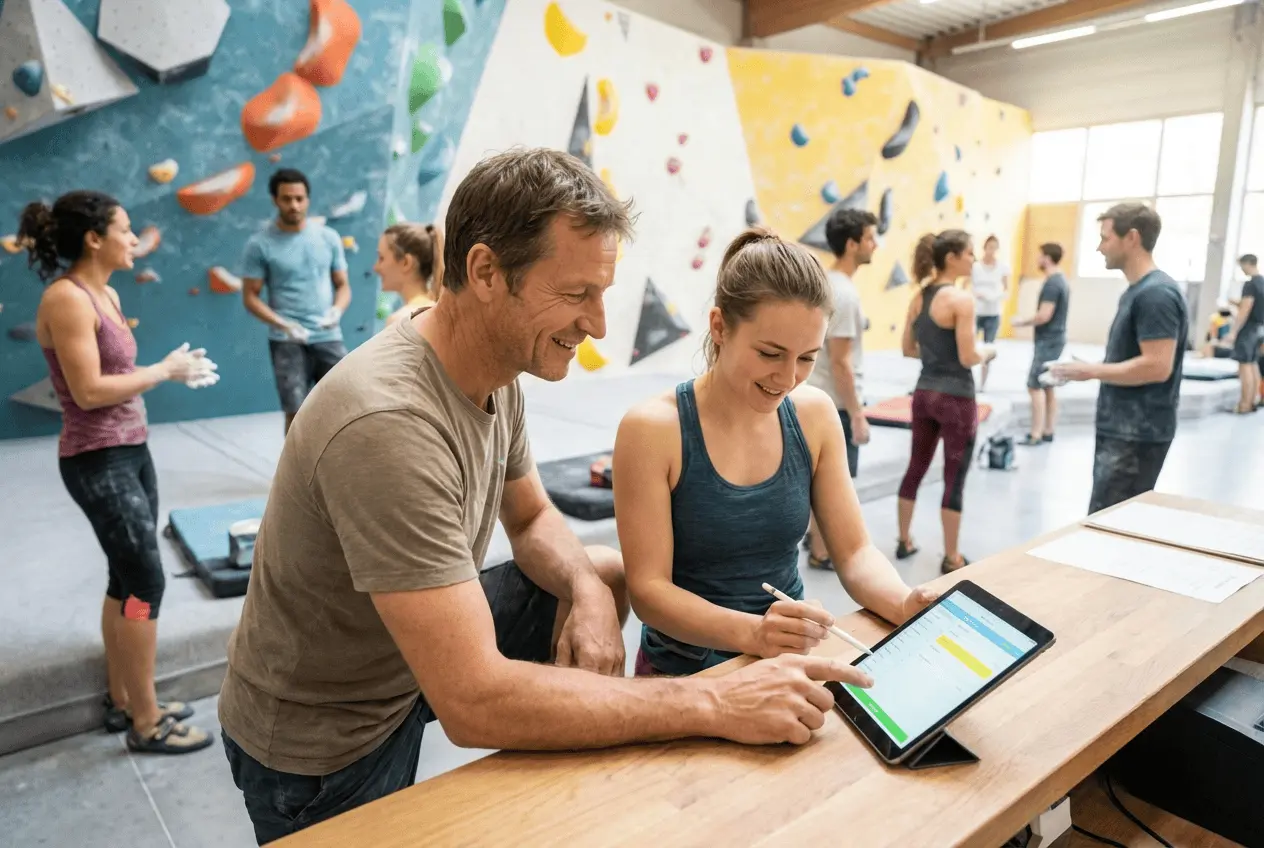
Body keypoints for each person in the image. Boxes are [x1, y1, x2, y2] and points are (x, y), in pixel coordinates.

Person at [218, 148, 873, 846]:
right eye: (575, 294)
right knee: (520, 674)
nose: (595, 324)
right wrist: (712, 698)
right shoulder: (387, 425)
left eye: (602, 294)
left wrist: (589, 593)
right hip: (327, 731)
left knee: (604, 570)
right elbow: (469, 702)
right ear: (485, 272)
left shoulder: (494, 370)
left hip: (404, 659)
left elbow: (530, 516)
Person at [613, 228, 936, 678]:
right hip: (686, 677)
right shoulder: (653, 430)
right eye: (771, 353)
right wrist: (753, 633)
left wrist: (903, 602)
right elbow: (649, 591)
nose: (788, 378)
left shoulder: (815, 416)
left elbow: (855, 552)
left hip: (784, 665)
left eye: (807, 358)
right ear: (720, 327)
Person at [17, 191, 219, 755]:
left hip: (131, 452)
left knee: (123, 580)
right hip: (96, 461)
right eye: (125, 230)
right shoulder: (67, 298)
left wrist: (163, 372)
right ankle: (148, 721)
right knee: (144, 587)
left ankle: (124, 696)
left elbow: (116, 376)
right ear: (94, 238)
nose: (135, 240)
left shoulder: (105, 291)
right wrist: (164, 371)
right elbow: (87, 392)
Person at [1051, 203, 1188, 515]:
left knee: (1111, 523)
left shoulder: (1156, 295)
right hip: (1124, 427)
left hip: (1137, 432)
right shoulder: (1139, 291)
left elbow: (1157, 365)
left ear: (1132, 238)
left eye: (1105, 238)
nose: (1099, 248)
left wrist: (1090, 371)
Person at [897, 231, 995, 573]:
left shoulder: (919, 298)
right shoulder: (960, 300)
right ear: (952, 257)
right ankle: (952, 557)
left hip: (924, 394)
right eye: (969, 253)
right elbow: (969, 357)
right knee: (955, 477)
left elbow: (908, 349)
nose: (974, 259)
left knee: (916, 466)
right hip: (956, 399)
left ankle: (903, 539)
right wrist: (989, 350)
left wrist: (937, 354)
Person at [240, 168, 351, 434]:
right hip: (287, 340)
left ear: (308, 199)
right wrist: (282, 323)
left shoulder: (328, 238)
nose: (294, 205)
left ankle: (337, 467)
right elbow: (250, 297)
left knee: (348, 400)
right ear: (275, 200)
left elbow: (343, 285)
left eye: (299, 198)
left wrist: (336, 311)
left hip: (327, 334)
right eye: (287, 199)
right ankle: (295, 475)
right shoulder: (260, 244)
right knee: (296, 409)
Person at [803, 208, 875, 570]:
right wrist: (857, 413)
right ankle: (821, 550)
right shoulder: (844, 295)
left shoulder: (829, 284)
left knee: (819, 477)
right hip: (836, 402)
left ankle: (814, 539)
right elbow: (842, 360)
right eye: (870, 237)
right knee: (832, 482)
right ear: (852, 244)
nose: (875, 244)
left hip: (821, 396)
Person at [1011, 243, 1070, 445]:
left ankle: (1035, 434)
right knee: (1047, 385)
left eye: (1039, 256)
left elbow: (1044, 315)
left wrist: (1021, 322)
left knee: (1034, 385)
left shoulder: (1053, 283)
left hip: (1049, 340)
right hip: (1055, 339)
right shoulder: (1061, 280)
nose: (1037, 260)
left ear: (1047, 258)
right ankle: (1048, 430)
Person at [374, 222, 443, 326]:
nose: (376, 268)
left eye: (381, 258)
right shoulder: (436, 311)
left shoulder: (401, 321)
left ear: (406, 263)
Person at [970, 234, 1009, 391]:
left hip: (993, 312)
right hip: (977, 310)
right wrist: (976, 295)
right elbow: (968, 285)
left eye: (994, 247)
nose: (991, 250)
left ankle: (983, 383)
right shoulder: (975, 267)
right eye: (989, 247)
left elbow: (1007, 289)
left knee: (989, 347)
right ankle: (968, 380)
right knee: (970, 344)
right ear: (984, 248)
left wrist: (996, 296)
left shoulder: (1003, 267)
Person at [1228, 254, 1264, 413]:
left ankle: (1244, 404)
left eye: (1242, 266)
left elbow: (1246, 309)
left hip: (1248, 329)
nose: (1242, 270)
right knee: (1253, 364)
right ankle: (1254, 400)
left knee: (1245, 366)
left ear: (1248, 263)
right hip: (1259, 328)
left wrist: (1233, 331)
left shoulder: (1250, 284)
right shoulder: (1262, 283)